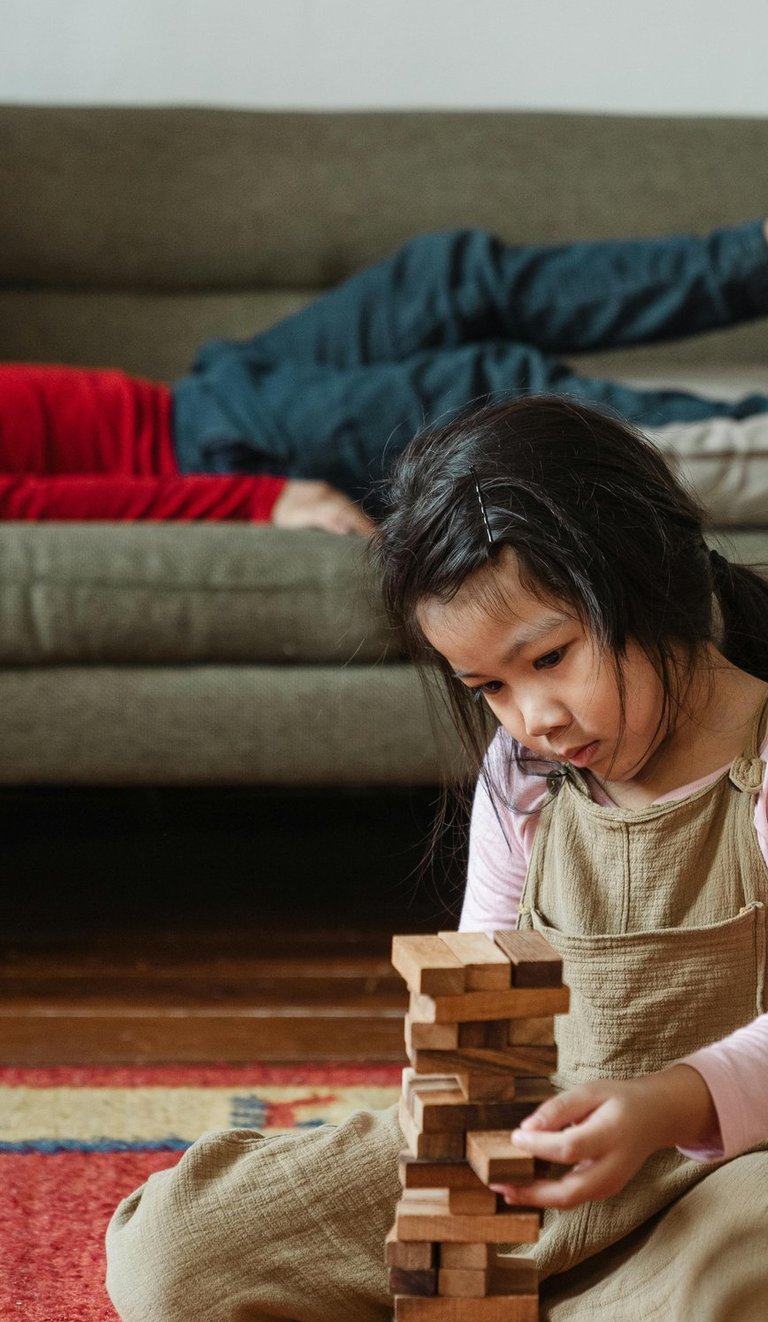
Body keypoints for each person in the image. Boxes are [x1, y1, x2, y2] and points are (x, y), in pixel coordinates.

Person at [105, 395, 768, 1321]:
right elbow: (479, 1007)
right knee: (179, 1254)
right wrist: (453, 1177)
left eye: (552, 657)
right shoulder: (528, 773)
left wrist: (664, 1107)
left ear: (646, 576)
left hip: (719, 1171)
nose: (534, 717)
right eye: (489, 686)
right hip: (535, 1147)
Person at [3, 217, 768, 533]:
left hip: (208, 391)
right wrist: (260, 498)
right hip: (215, 449)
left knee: (449, 274)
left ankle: (753, 254)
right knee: (492, 386)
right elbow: (27, 503)